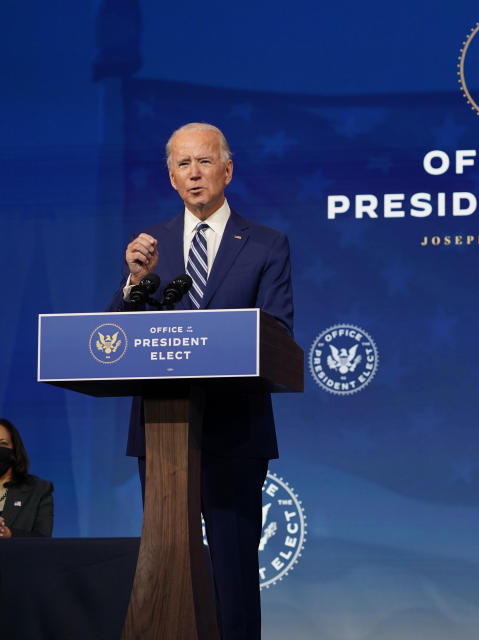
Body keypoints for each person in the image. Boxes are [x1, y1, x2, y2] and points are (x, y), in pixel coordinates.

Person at [107, 122, 294, 639]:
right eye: (183, 165)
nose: (194, 174)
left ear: (227, 170)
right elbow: (114, 337)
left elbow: (275, 333)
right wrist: (133, 284)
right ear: (170, 177)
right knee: (166, 570)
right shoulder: (150, 247)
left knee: (232, 574)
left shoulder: (266, 244)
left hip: (236, 432)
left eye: (204, 162)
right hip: (162, 430)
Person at [0, 418, 54, 538]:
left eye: (2, 444)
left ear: (15, 450)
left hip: (18, 556)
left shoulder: (38, 490)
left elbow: (43, 539)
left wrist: (9, 534)